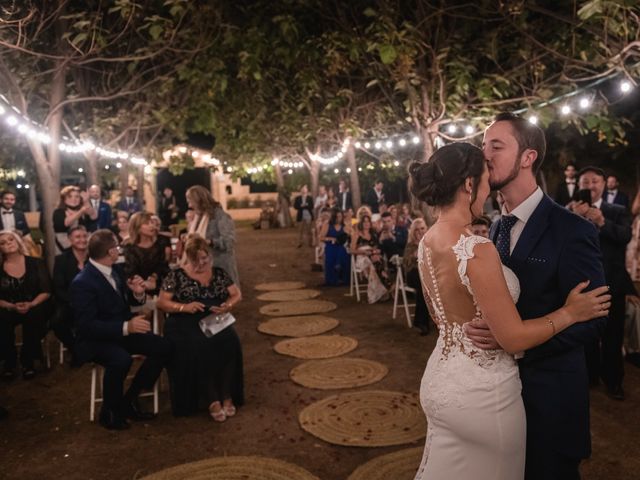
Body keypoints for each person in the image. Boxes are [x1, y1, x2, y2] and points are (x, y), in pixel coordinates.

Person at [409, 141, 611, 480]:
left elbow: (442, 315)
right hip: (485, 394)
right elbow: (514, 338)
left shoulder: (428, 240)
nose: (489, 185)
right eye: (484, 177)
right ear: (470, 184)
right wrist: (570, 313)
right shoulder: (477, 246)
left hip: (441, 381)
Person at [466, 113, 610, 479]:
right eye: (483, 146)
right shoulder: (495, 227)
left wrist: (516, 342)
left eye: (496, 146)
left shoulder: (571, 230)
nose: (485, 155)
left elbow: (594, 318)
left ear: (527, 157)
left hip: (551, 400)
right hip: (496, 399)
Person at [70, 229, 172, 430]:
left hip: (121, 332)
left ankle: (129, 399)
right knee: (120, 359)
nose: (119, 250)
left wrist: (138, 293)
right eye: (117, 246)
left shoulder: (115, 270)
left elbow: (127, 303)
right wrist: (127, 326)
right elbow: (87, 325)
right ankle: (109, 411)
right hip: (94, 340)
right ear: (110, 252)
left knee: (164, 347)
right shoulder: (82, 282)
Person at [157, 235, 244, 420]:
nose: (202, 263)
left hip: (215, 318)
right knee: (200, 344)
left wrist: (227, 306)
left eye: (205, 258)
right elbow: (162, 303)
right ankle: (212, 398)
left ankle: (227, 394)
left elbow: (236, 295)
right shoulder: (176, 275)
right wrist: (184, 307)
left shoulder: (219, 273)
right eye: (196, 260)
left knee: (231, 341)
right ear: (188, 257)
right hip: (184, 321)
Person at [569, 166, 635, 400]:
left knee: (613, 334)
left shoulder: (615, 210)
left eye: (594, 181)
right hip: (581, 284)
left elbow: (625, 236)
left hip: (612, 281)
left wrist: (602, 222)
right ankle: (589, 376)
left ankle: (614, 381)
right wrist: (575, 218)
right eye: (585, 182)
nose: (590, 186)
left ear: (604, 184)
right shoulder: (569, 212)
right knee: (585, 333)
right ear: (579, 186)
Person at [0, 230, 52, 380]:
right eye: (2, 243)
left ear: (17, 241)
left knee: (35, 316)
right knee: (2, 320)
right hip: (8, 307)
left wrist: (31, 304)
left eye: (10, 239)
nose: (8, 243)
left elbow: (46, 290)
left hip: (34, 304)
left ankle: (27, 361)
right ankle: (9, 362)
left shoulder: (36, 263)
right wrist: (11, 306)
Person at [186, 185, 239, 285]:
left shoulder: (220, 216)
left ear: (199, 200)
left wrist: (209, 242)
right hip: (203, 269)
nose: (189, 205)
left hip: (220, 266)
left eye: (190, 201)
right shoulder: (198, 218)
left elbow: (229, 241)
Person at [52, 225, 89, 361]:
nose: (82, 240)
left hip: (93, 301)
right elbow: (58, 287)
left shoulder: (95, 257)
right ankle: (76, 349)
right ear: (70, 239)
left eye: (85, 236)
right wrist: (73, 302)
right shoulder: (61, 260)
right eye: (77, 237)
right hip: (70, 302)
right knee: (57, 322)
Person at [123, 212, 171, 296]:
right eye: (146, 223)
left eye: (152, 222)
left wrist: (154, 278)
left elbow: (163, 265)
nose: (152, 226)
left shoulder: (161, 241)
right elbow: (131, 271)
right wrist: (143, 285)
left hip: (162, 285)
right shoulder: (129, 247)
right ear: (137, 227)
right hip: (139, 287)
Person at [350, 215, 388, 303]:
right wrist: (364, 252)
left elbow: (377, 247)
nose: (366, 223)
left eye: (368, 221)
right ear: (361, 223)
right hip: (362, 257)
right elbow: (351, 250)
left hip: (373, 256)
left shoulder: (373, 234)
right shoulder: (357, 234)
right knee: (374, 265)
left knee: (376, 263)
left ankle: (379, 293)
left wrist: (376, 250)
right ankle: (382, 290)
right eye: (364, 221)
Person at [402, 218, 430, 334]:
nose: (420, 231)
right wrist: (418, 248)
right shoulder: (410, 245)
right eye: (417, 229)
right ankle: (421, 322)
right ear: (413, 232)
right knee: (423, 286)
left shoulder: (430, 242)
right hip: (413, 274)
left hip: (427, 274)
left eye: (422, 228)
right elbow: (406, 263)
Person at [53, 186, 96, 254]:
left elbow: (93, 216)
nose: (74, 199)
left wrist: (86, 201)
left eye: (77, 196)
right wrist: (80, 211)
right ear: (64, 199)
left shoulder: (83, 210)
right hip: (64, 248)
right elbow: (66, 223)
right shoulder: (58, 212)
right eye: (70, 196)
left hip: (84, 247)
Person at [319, 209, 350, 286]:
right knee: (331, 253)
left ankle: (343, 278)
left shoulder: (345, 226)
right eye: (337, 216)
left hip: (341, 246)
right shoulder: (327, 225)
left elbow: (350, 235)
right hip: (331, 245)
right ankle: (332, 279)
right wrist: (331, 239)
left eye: (340, 216)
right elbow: (321, 237)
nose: (338, 218)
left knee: (343, 252)